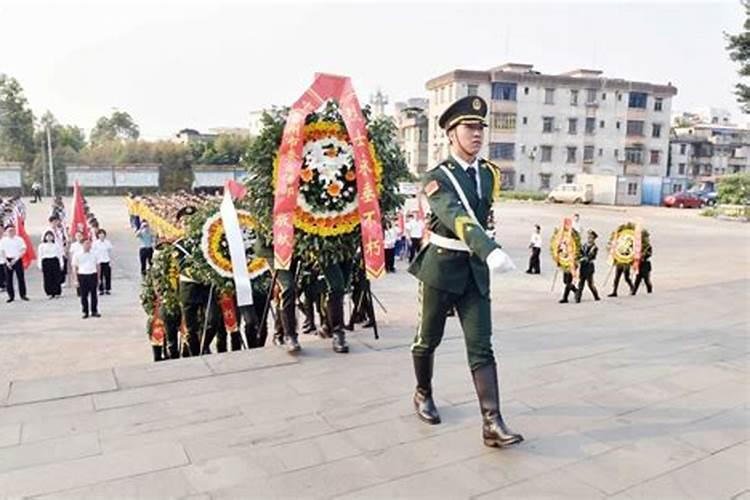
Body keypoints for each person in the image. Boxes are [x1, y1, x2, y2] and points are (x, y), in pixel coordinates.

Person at [408, 95, 523, 448]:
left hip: (474, 272)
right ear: (450, 133)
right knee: (428, 340)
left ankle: (492, 422)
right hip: (442, 269)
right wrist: (490, 251)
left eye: (480, 128)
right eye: (469, 128)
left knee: (481, 347)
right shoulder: (436, 178)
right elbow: (456, 216)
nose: (477, 134)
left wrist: (486, 251)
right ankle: (423, 392)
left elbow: (484, 216)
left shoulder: (488, 174)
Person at [73, 237, 100, 318]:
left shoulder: (95, 253)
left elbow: (98, 266)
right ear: (82, 244)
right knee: (84, 295)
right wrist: (76, 279)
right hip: (82, 275)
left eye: (89, 243)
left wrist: (98, 278)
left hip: (92, 274)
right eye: (86, 244)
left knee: (94, 294)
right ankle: (85, 311)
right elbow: (75, 267)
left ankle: (94, 310)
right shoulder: (77, 254)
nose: (88, 245)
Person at [1, 224, 29, 302]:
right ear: (6, 232)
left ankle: (23, 295)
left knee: (20, 277)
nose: (11, 232)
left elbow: (23, 250)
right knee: (8, 279)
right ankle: (11, 296)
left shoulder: (19, 239)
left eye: (13, 230)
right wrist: (7, 262)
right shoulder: (3, 240)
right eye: (9, 231)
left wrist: (16, 259)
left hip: (17, 259)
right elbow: (2, 252)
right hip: (7, 260)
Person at [575, 230, 601, 302]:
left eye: (591, 238)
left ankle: (596, 296)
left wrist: (583, 258)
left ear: (593, 239)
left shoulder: (594, 248)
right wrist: (578, 257)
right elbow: (580, 253)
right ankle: (578, 298)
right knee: (581, 283)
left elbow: (591, 256)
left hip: (589, 267)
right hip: (583, 267)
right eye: (588, 237)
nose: (589, 239)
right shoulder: (584, 246)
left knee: (590, 284)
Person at [37, 230, 63, 298]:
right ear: (45, 237)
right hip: (46, 261)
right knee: (47, 278)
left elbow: (59, 255)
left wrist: (61, 264)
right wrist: (39, 265)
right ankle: (49, 292)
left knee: (56, 277)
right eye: (47, 236)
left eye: (50, 236)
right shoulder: (41, 246)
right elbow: (40, 256)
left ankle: (57, 292)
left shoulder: (56, 245)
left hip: (54, 261)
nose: (49, 237)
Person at [93, 229, 113, 295]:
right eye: (100, 234)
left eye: (103, 234)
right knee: (100, 276)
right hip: (99, 261)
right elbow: (93, 252)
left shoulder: (107, 242)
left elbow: (110, 252)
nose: (101, 236)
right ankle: (100, 289)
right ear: (98, 235)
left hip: (106, 260)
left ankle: (107, 289)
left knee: (107, 275)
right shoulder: (95, 243)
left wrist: (110, 261)